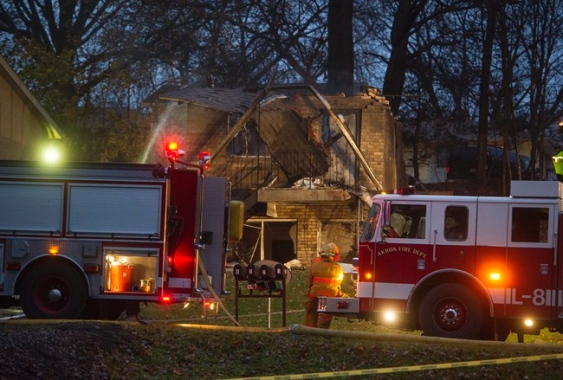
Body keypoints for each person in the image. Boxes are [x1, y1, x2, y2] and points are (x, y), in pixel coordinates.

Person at [304, 243, 344, 329]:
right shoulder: (338, 268)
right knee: (326, 314)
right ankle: (323, 331)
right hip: (331, 295)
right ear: (333, 255)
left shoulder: (315, 266)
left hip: (315, 294)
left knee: (310, 312)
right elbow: (339, 282)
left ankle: (309, 331)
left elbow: (310, 282)